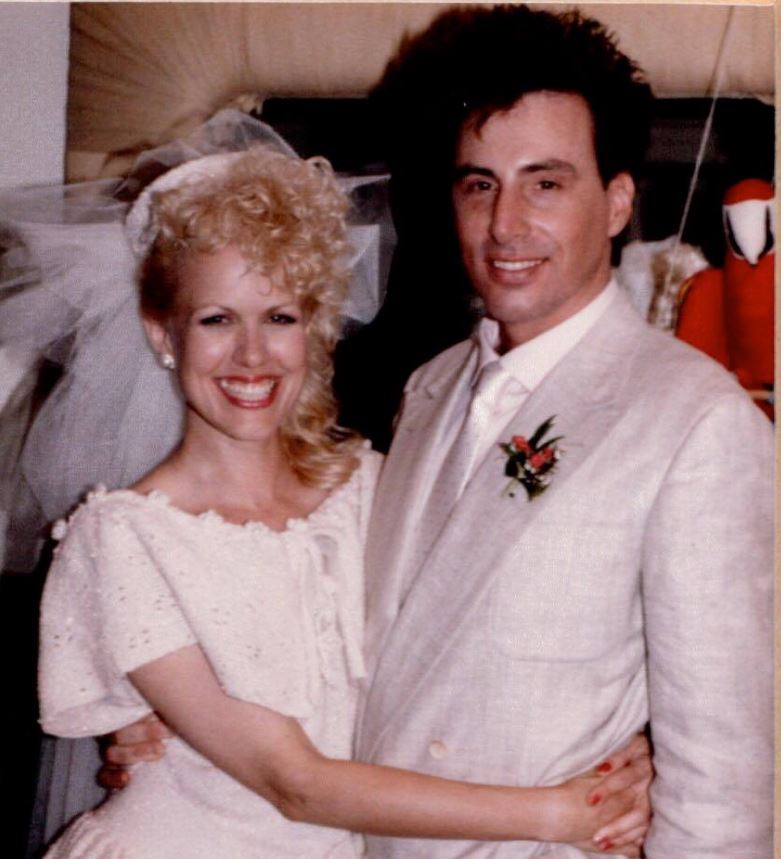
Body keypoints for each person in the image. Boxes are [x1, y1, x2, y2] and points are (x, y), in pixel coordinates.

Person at [39, 144, 650, 859]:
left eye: (279, 317)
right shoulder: (123, 538)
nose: (251, 355)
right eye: (216, 320)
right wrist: (559, 813)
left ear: (315, 327)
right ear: (161, 331)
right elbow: (292, 782)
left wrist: (620, 746)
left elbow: (493, 634)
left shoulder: (369, 487)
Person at [350, 6, 772, 858]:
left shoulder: (695, 423)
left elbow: (723, 784)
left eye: (545, 183)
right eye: (480, 184)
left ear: (616, 201)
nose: (505, 225)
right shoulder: (425, 389)